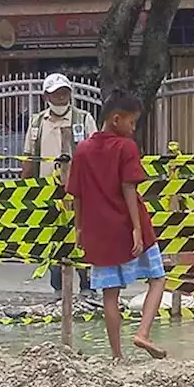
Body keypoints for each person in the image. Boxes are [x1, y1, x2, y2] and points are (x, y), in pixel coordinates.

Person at [66, 93, 167, 360]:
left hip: (98, 232)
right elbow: (128, 187)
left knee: (110, 295)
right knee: (157, 279)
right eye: (132, 123)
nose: (133, 129)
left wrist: (78, 229)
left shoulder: (83, 150)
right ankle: (143, 333)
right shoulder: (126, 147)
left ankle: (116, 355)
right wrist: (136, 228)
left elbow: (76, 194)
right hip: (129, 225)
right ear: (116, 119)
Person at [23, 72, 98, 298]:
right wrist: (27, 191)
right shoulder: (37, 123)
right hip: (48, 192)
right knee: (54, 239)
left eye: (65, 93)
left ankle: (87, 286)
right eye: (57, 94)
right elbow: (28, 158)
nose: (62, 98)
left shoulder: (83, 119)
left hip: (80, 190)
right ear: (47, 97)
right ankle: (58, 289)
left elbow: (95, 153)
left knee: (82, 236)